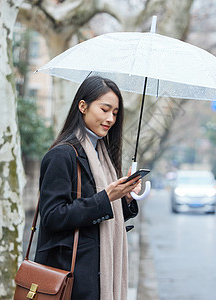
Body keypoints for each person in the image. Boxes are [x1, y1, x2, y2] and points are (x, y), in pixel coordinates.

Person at [34, 76, 141, 300]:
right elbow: (52, 216)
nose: (110, 118)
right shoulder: (62, 155)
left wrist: (125, 198)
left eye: (115, 113)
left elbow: (98, 208)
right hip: (70, 276)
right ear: (82, 106)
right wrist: (106, 197)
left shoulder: (102, 156)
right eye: (104, 109)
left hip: (95, 274)